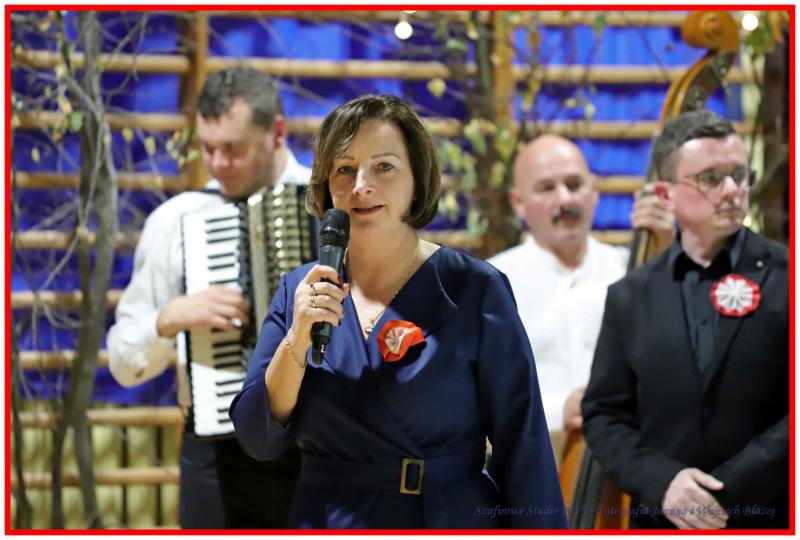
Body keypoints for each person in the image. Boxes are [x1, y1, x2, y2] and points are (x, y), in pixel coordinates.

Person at [229, 94, 566, 529]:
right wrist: (297, 337)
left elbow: (524, 447)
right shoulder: (299, 291)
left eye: (384, 167)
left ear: (417, 181)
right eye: (344, 169)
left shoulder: (475, 288)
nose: (361, 185)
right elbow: (258, 439)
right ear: (325, 186)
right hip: (328, 520)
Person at [106, 67, 308, 528]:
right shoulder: (177, 221)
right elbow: (122, 360)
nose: (217, 163)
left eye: (232, 148)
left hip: (322, 450)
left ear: (277, 133)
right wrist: (168, 318)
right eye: (208, 148)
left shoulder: (334, 204)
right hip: (217, 456)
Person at [582, 109, 788, 529]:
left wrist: (724, 489)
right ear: (665, 195)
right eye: (711, 178)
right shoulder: (629, 295)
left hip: (772, 515)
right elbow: (604, 415)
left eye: (740, 175)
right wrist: (664, 483)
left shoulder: (790, 275)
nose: (732, 191)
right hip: (664, 520)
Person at [488, 134, 674, 457]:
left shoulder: (631, 271)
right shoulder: (492, 284)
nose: (564, 200)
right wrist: (558, 409)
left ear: (593, 191)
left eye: (574, 185)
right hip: (533, 472)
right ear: (518, 202)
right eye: (546, 189)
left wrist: (667, 254)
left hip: (628, 467)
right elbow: (476, 398)